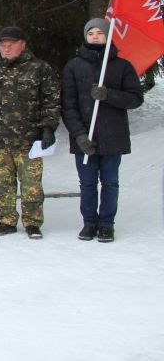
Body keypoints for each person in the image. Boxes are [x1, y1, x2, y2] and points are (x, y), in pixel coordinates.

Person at [0, 26, 61, 239]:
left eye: (11, 43)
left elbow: (52, 100)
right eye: (2, 44)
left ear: (23, 44)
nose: (6, 47)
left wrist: (48, 128)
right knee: (2, 185)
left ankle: (32, 222)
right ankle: (6, 220)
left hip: (29, 140)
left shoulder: (39, 68)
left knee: (31, 186)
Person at [61, 18, 143, 243]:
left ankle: (107, 224)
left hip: (112, 137)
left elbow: (136, 98)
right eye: (91, 33)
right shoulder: (73, 66)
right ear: (85, 37)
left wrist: (109, 95)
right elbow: (67, 105)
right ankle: (89, 223)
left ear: (108, 35)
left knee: (110, 182)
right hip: (84, 137)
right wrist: (79, 135)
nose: (95, 36)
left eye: (100, 32)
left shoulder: (121, 66)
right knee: (87, 183)